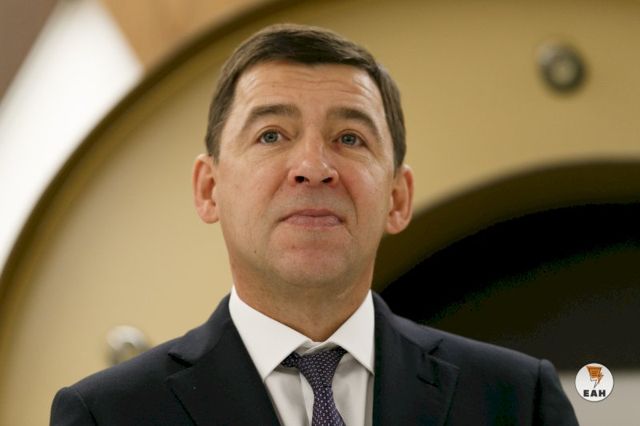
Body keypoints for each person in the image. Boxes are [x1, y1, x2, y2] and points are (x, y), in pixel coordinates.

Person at [50, 24, 578, 426]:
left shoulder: (516, 400)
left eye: (349, 138)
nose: (313, 167)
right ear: (209, 188)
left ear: (397, 198)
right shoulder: (107, 415)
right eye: (271, 135)